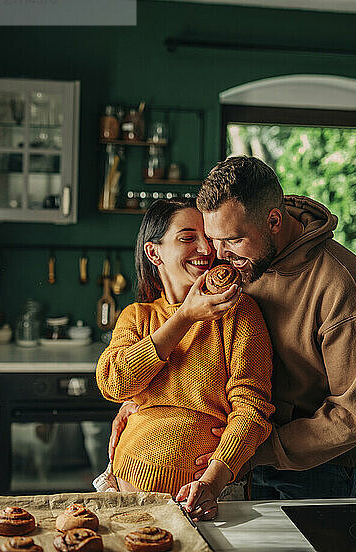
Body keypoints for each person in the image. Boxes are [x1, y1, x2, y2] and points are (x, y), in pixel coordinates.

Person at [110, 157, 356, 501]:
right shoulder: (237, 259)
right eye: (214, 239)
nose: (217, 255)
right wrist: (144, 404)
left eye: (232, 240)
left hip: (313, 470)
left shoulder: (342, 285)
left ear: (273, 221)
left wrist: (252, 450)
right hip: (233, 461)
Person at [96, 198, 274, 519]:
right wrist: (184, 318)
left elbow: (252, 409)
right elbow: (113, 382)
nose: (206, 249)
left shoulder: (238, 312)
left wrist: (212, 480)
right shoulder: (138, 316)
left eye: (207, 237)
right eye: (188, 237)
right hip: (125, 494)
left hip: (207, 495)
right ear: (155, 252)